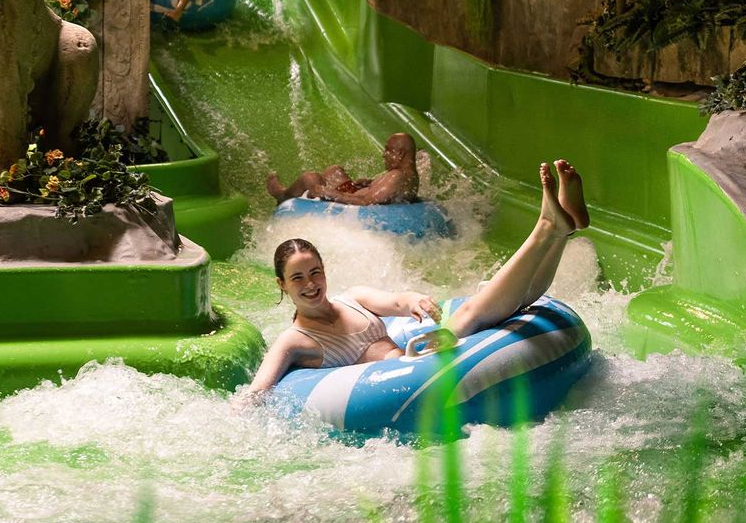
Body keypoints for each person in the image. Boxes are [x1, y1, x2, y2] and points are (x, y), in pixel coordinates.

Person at [242, 159, 590, 399]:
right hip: (408, 381)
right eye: (298, 278)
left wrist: (415, 301)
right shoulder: (293, 340)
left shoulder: (353, 298)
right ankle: (547, 228)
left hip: (423, 357)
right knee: (472, 313)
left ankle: (560, 231)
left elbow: (397, 302)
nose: (311, 284)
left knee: (514, 304)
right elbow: (258, 391)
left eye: (315, 272)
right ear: (282, 285)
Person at [267, 132, 420, 206]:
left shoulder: (397, 177)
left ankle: (283, 195)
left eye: (388, 150)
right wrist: (371, 184)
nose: (383, 154)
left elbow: (367, 201)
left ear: (399, 153)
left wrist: (329, 192)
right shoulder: (408, 175)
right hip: (354, 196)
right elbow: (389, 193)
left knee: (311, 179)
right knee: (334, 170)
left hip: (351, 207)